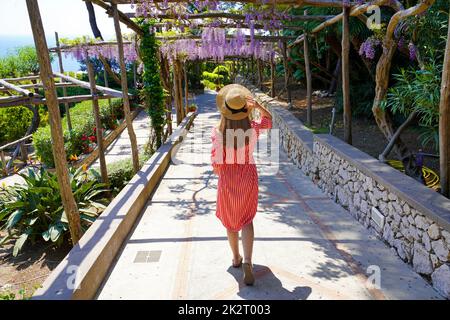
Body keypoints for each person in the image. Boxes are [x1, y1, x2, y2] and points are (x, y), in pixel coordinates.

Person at [211, 84, 272, 285]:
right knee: (246, 219)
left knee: (231, 221)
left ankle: (236, 258)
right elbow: (268, 121)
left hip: (228, 178)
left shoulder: (218, 132)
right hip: (248, 175)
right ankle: (248, 261)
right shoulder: (253, 127)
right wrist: (259, 107)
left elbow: (216, 163)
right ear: (245, 109)